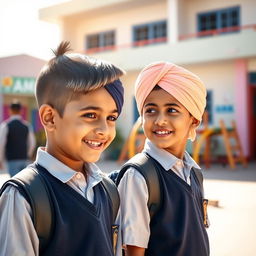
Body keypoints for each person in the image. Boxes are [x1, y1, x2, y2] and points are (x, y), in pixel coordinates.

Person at [0, 41, 125, 256]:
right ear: (49, 118)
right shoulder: (23, 197)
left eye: (111, 117)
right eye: (90, 115)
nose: (104, 129)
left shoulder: (108, 189)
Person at [118, 61, 210, 256]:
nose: (160, 120)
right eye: (150, 110)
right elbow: (134, 251)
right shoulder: (138, 176)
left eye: (172, 110)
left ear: (193, 119)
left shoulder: (194, 172)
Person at [0, 100, 36, 176]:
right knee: (24, 184)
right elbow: (32, 143)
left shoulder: (5, 125)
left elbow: (1, 144)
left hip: (12, 160)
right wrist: (28, 155)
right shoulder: (27, 126)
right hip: (24, 159)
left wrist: (1, 159)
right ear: (21, 111)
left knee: (15, 184)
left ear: (10, 111)